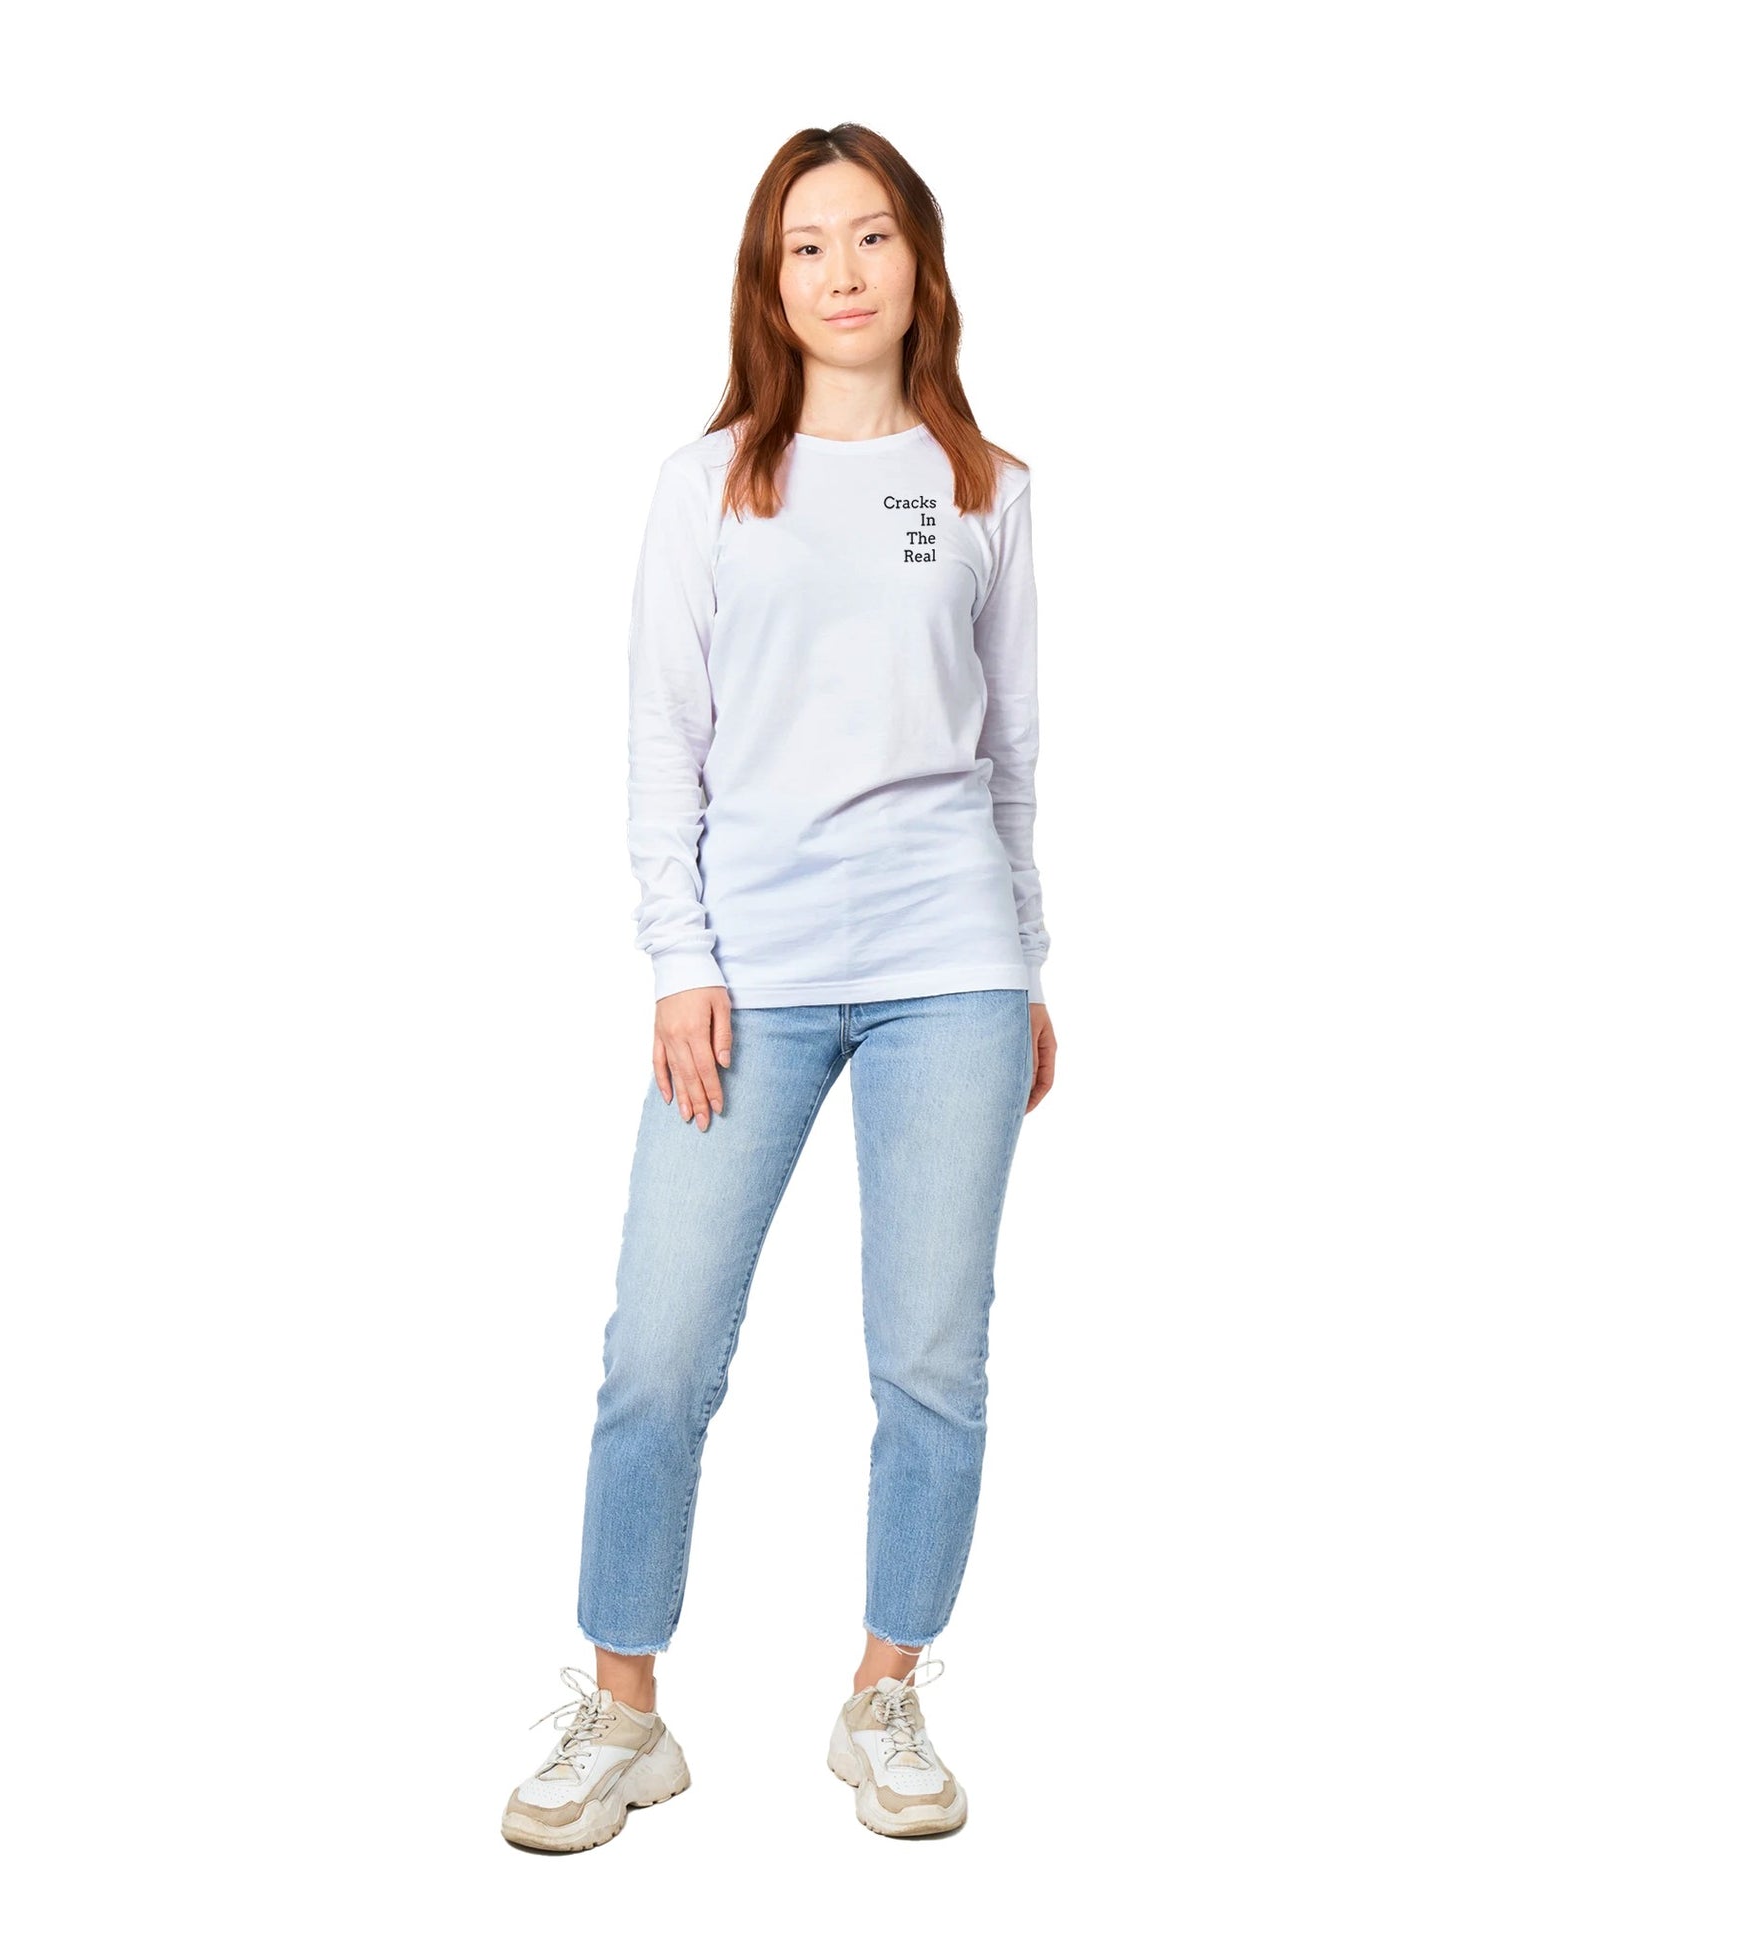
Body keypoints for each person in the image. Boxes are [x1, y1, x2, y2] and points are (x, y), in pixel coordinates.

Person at [502, 123, 1058, 1853]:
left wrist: (1028, 966)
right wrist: (678, 959)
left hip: (951, 967)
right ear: (768, 279)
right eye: (804, 244)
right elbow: (657, 740)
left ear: (919, 263)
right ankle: (623, 1709)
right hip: (746, 976)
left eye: (869, 236)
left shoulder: (987, 487)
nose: (840, 271)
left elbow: (1013, 754)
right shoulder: (710, 485)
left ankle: (883, 1690)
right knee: (657, 1349)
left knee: (931, 1356)